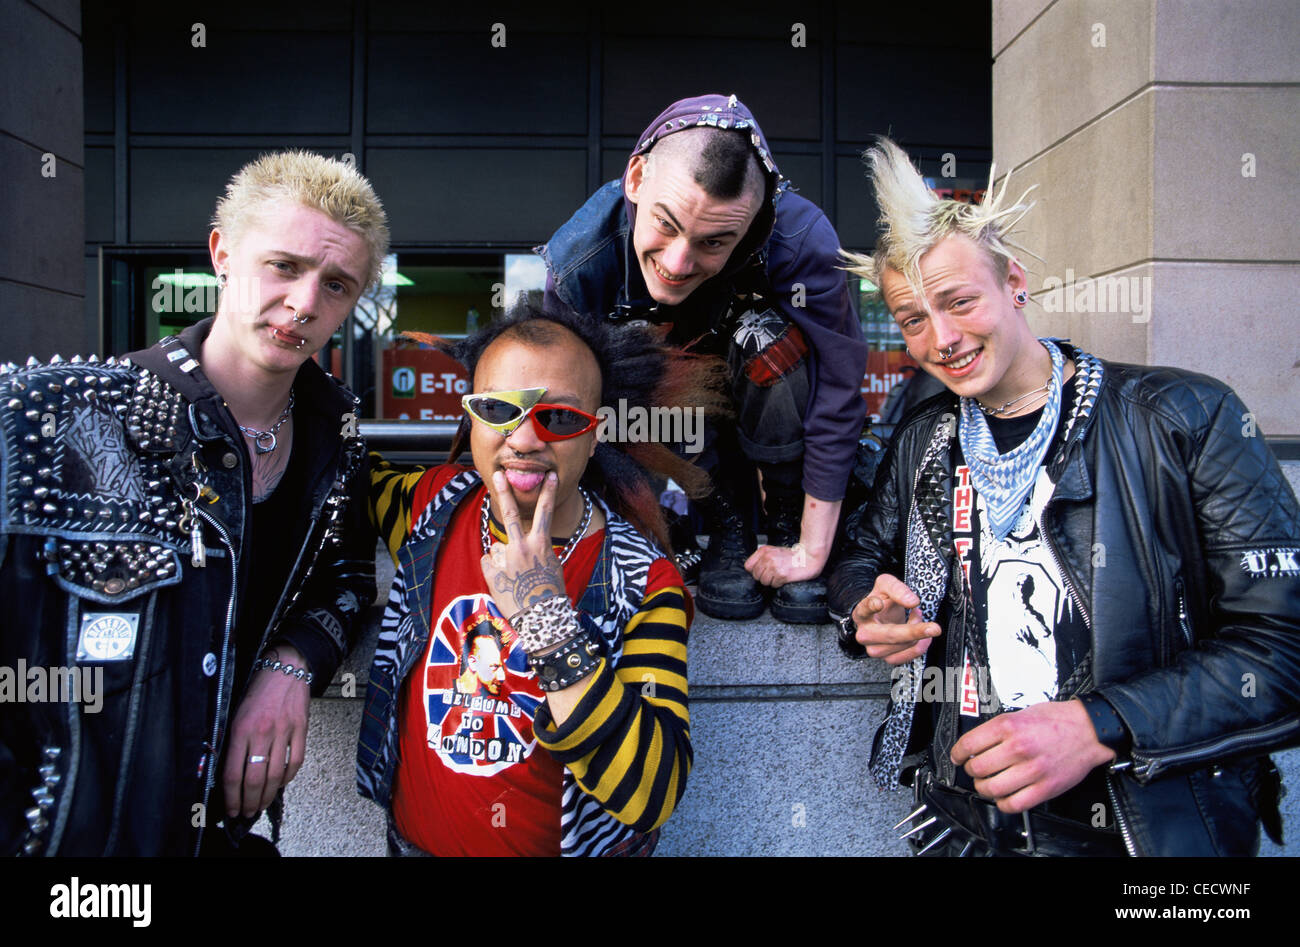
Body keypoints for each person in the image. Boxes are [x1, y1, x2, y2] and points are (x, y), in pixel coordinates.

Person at [828, 138, 1300, 856]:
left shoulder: (1182, 416)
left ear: (1014, 280)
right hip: (965, 827)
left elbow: (1282, 647)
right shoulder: (926, 438)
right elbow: (861, 557)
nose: (942, 339)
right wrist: (866, 605)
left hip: (1155, 832)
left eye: (958, 302)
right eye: (914, 318)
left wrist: (1100, 722)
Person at [0, 150, 385, 856]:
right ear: (222, 253)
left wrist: (293, 661)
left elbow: (349, 577)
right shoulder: (71, 416)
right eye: (284, 266)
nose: (305, 303)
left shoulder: (337, 432)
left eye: (336, 284)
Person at [358, 305, 722, 856]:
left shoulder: (643, 581)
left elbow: (652, 794)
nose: (524, 439)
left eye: (558, 417)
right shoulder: (430, 506)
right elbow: (333, 473)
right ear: (471, 420)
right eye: (498, 409)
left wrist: (546, 616)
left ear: (595, 433)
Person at [536, 93, 868, 623]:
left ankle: (781, 519)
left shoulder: (799, 240)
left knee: (768, 340)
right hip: (675, 439)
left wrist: (812, 547)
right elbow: (563, 415)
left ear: (757, 220)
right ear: (637, 178)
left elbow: (838, 393)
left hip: (777, 423)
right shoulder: (581, 262)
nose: (677, 262)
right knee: (631, 359)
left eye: (715, 242)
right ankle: (726, 522)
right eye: (666, 225)